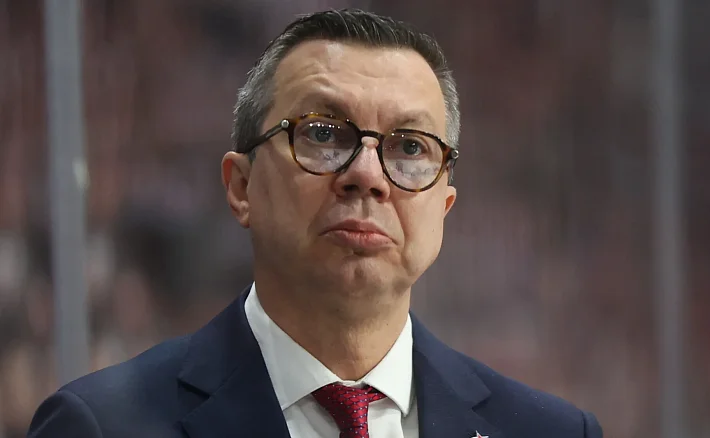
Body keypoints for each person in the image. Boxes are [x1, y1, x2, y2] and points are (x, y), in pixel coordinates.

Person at [28, 9, 603, 438]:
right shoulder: (103, 425)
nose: (368, 176)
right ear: (241, 186)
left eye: (410, 146)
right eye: (323, 134)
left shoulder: (550, 431)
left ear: (444, 207)